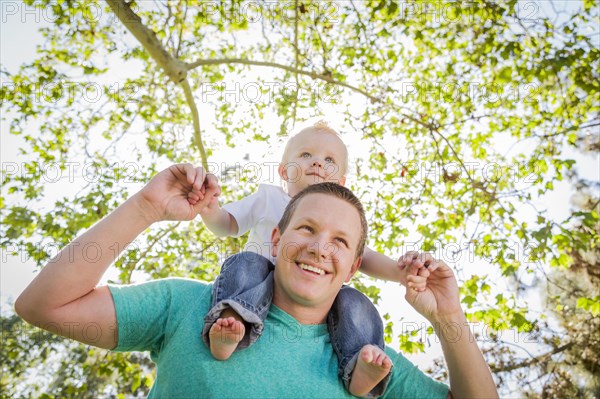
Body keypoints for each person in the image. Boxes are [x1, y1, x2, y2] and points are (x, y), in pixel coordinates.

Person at [15, 164, 498, 398]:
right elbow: (43, 305)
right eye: (306, 229)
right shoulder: (189, 306)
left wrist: (449, 317)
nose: (318, 248)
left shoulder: (367, 362)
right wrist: (145, 208)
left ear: (353, 269)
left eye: (339, 242)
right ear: (275, 237)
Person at [195, 121, 411, 397]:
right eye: (306, 155)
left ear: (341, 183)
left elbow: (364, 257)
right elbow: (227, 224)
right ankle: (230, 323)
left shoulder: (341, 220)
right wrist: (209, 208)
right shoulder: (268, 198)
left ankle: (360, 365)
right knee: (246, 262)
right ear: (283, 170)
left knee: (355, 302)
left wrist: (400, 273)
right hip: (257, 285)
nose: (318, 163)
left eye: (329, 160)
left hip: (311, 290)